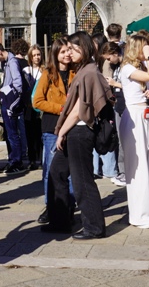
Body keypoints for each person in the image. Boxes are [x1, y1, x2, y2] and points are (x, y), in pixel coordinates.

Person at [47, 32, 114, 239]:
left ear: (84, 49)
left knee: (82, 179)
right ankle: (60, 222)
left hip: (80, 131)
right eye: (68, 49)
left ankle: (94, 227)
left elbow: (78, 110)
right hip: (75, 131)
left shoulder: (89, 72)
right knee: (57, 172)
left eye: (74, 49)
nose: (70, 53)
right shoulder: (83, 70)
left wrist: (61, 132)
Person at [118, 34, 149, 228]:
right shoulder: (127, 68)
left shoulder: (140, 67)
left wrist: (147, 92)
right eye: (144, 47)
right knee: (139, 166)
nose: (148, 50)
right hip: (134, 117)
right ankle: (140, 214)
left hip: (145, 114)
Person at [33, 38, 75, 225]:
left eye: (68, 51)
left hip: (73, 125)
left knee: (70, 170)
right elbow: (37, 101)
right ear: (56, 54)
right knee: (51, 170)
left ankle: (69, 206)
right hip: (52, 127)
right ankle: (51, 206)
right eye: (63, 52)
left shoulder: (76, 72)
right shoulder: (48, 73)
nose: (67, 55)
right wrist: (60, 108)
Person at [0, 40, 28, 174]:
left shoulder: (12, 62)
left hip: (10, 103)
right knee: (9, 134)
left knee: (12, 134)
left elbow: (18, 84)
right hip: (7, 101)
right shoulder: (6, 63)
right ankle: (12, 160)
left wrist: (8, 96)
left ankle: (16, 162)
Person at [97, 41, 124, 184]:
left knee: (124, 140)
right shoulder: (117, 66)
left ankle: (124, 172)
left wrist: (115, 84)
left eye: (109, 58)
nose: (108, 61)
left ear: (115, 53)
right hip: (118, 104)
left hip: (125, 106)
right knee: (120, 139)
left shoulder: (125, 66)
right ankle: (122, 171)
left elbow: (134, 86)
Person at [24, 44, 45, 171]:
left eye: (38, 55)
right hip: (28, 107)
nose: (37, 57)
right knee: (30, 134)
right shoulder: (26, 71)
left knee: (41, 134)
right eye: (34, 55)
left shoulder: (45, 71)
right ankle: (32, 160)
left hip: (41, 107)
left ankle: (42, 159)